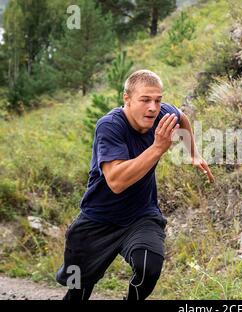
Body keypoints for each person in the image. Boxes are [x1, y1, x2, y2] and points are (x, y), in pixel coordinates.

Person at [56, 69, 214, 300]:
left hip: (140, 216)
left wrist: (193, 153)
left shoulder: (162, 115)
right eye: (145, 100)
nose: (153, 107)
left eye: (158, 100)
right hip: (97, 219)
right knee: (78, 287)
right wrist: (158, 148)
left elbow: (181, 117)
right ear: (127, 99)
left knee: (149, 267)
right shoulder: (109, 126)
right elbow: (117, 182)